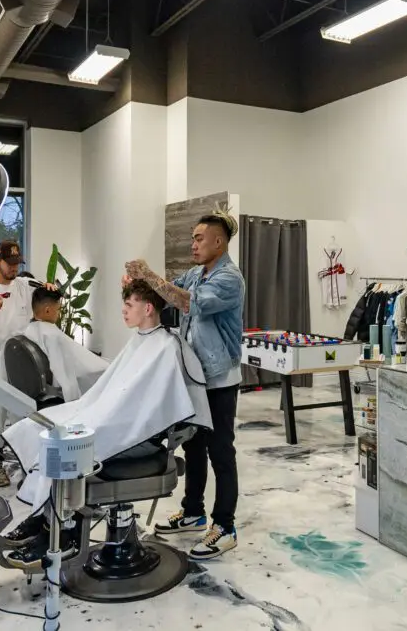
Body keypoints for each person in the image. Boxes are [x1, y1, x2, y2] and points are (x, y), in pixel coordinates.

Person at [0, 280, 211, 567]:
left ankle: (62, 535)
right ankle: (43, 522)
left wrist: (109, 415)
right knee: (47, 428)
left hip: (140, 436)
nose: (123, 311)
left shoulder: (166, 347)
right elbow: (119, 386)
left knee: (72, 447)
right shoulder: (141, 340)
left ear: (148, 308)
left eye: (129, 305)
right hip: (121, 422)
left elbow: (158, 405)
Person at [124, 207, 245, 560]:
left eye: (198, 238)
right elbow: (169, 292)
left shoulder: (229, 278)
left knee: (221, 450)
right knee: (193, 446)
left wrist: (151, 275)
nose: (192, 244)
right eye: (192, 238)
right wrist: (140, 283)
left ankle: (225, 526)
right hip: (195, 374)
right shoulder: (197, 272)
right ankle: (193, 511)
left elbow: (187, 303)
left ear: (219, 242)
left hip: (220, 376)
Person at [0, 240, 56, 487]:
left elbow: (46, 298)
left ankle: (24, 461)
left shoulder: (25, 286)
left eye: (18, 264)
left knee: (21, 413)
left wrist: (49, 289)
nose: (14, 269)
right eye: (10, 264)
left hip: (18, 363)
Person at [22, 286, 108, 403]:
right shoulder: (51, 335)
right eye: (58, 309)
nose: (58, 314)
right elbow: (65, 378)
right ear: (47, 310)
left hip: (81, 364)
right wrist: (73, 405)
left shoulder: (28, 329)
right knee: (109, 370)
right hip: (87, 372)